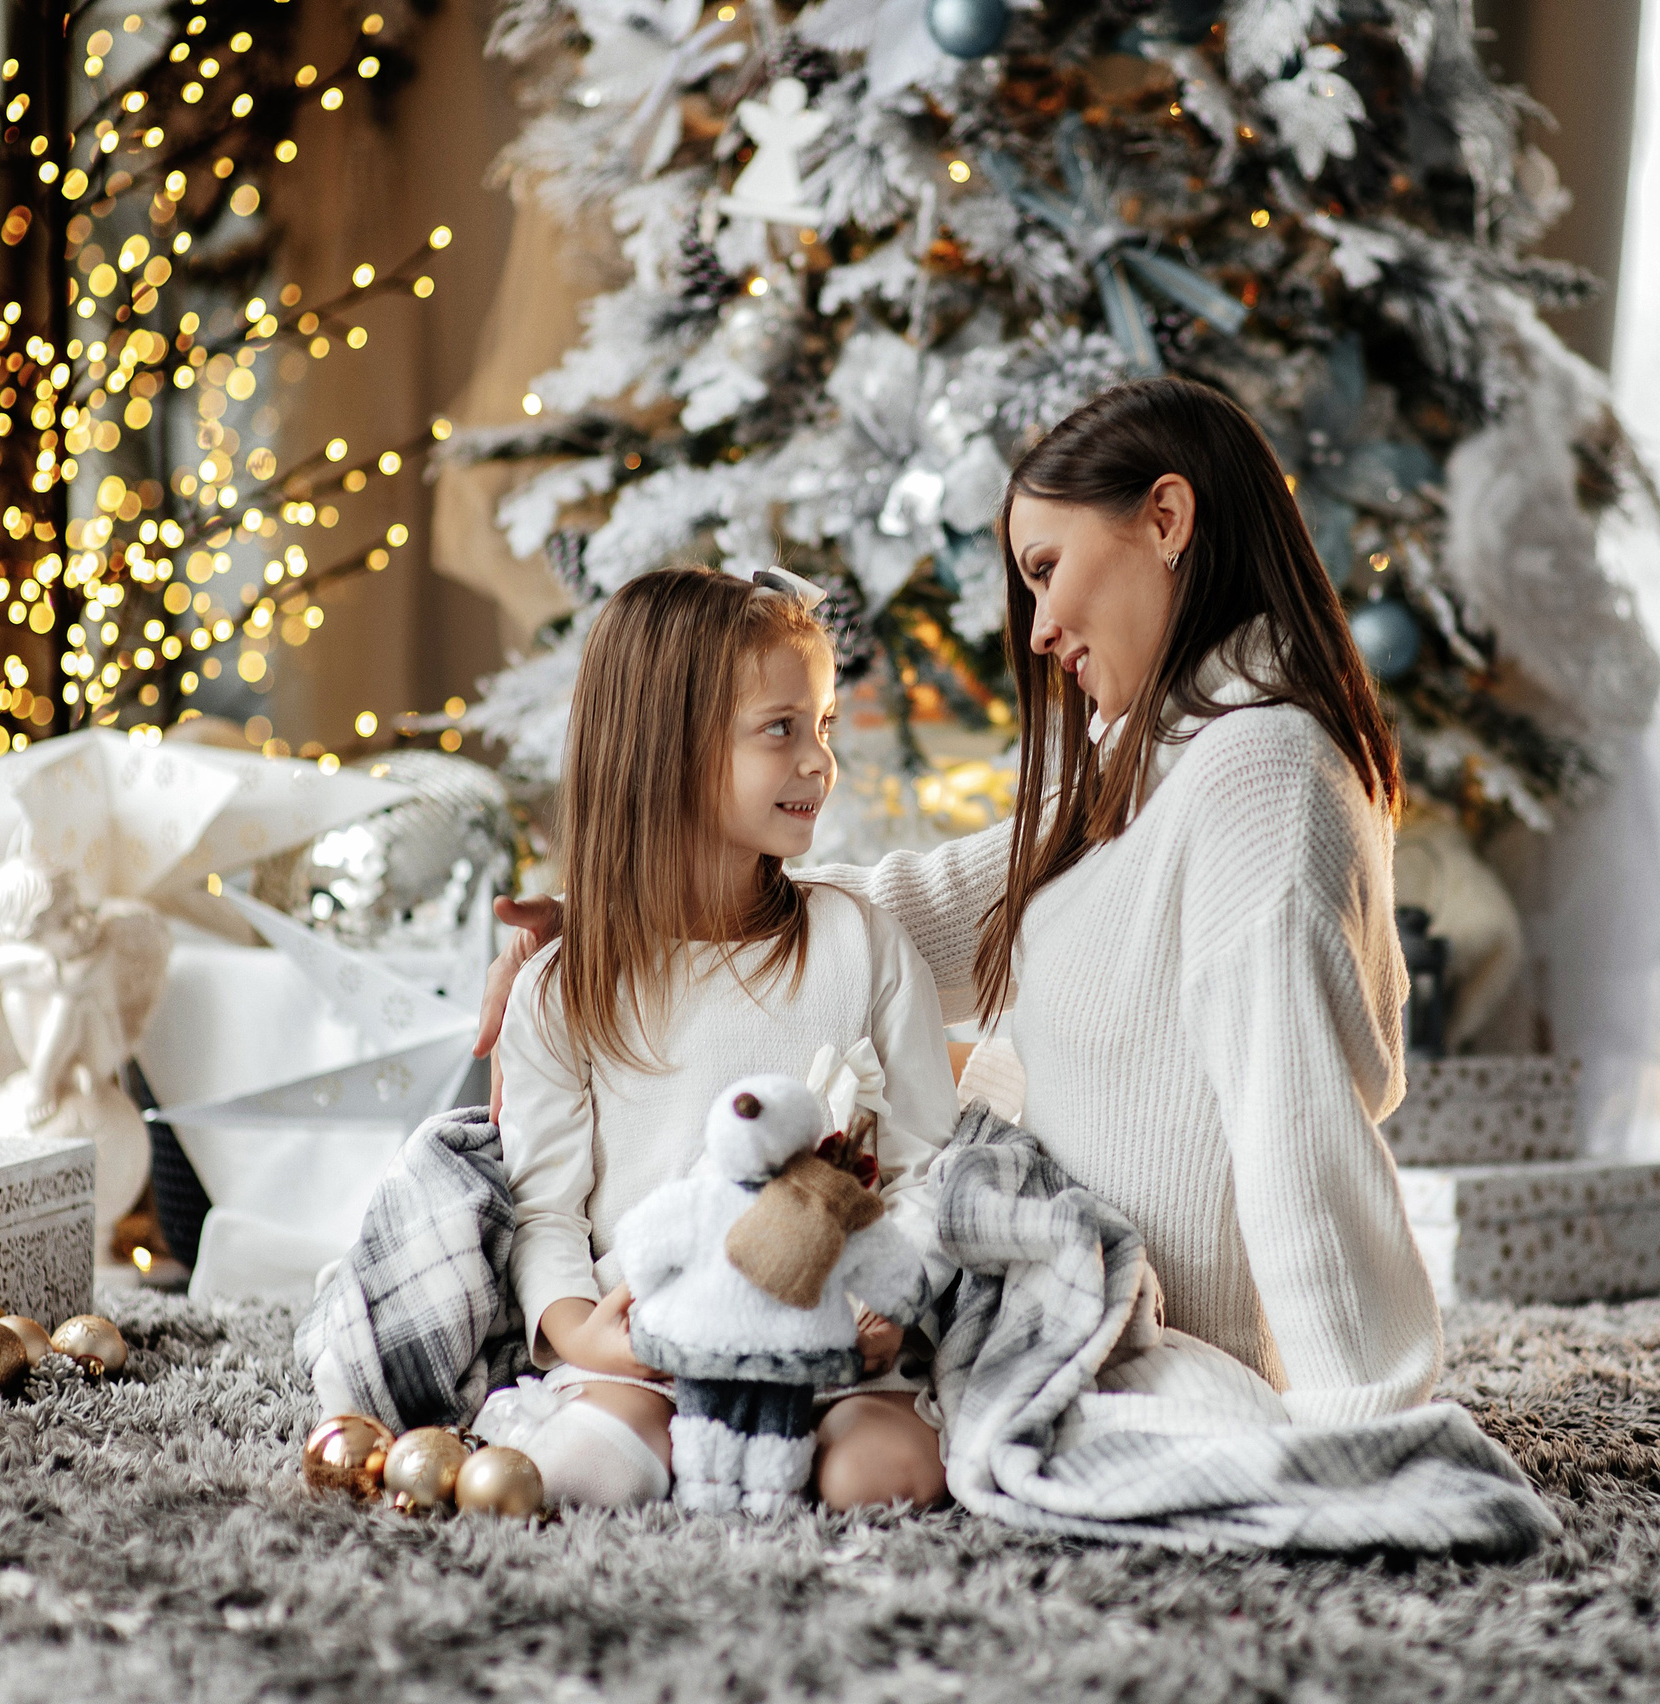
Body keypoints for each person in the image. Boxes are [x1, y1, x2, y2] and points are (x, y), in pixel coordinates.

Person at [479, 376, 1442, 1430]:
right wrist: (630, 915)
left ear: (1165, 520)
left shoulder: (1260, 777)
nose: (1035, 631)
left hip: (1130, 1339)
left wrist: (1366, 1422)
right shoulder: (1161, 755)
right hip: (1029, 1286)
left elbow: (1297, 1130)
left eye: (1045, 570)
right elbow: (919, 908)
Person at [487, 566, 957, 1510]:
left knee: (887, 1478)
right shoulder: (563, 990)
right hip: (652, 1346)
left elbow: (924, 1170)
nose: (820, 762)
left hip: (831, 1346)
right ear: (667, 747)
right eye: (781, 728)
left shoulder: (859, 946)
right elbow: (545, 1213)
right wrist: (583, 1335)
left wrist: (886, 1308)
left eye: (822, 726)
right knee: (588, 1477)